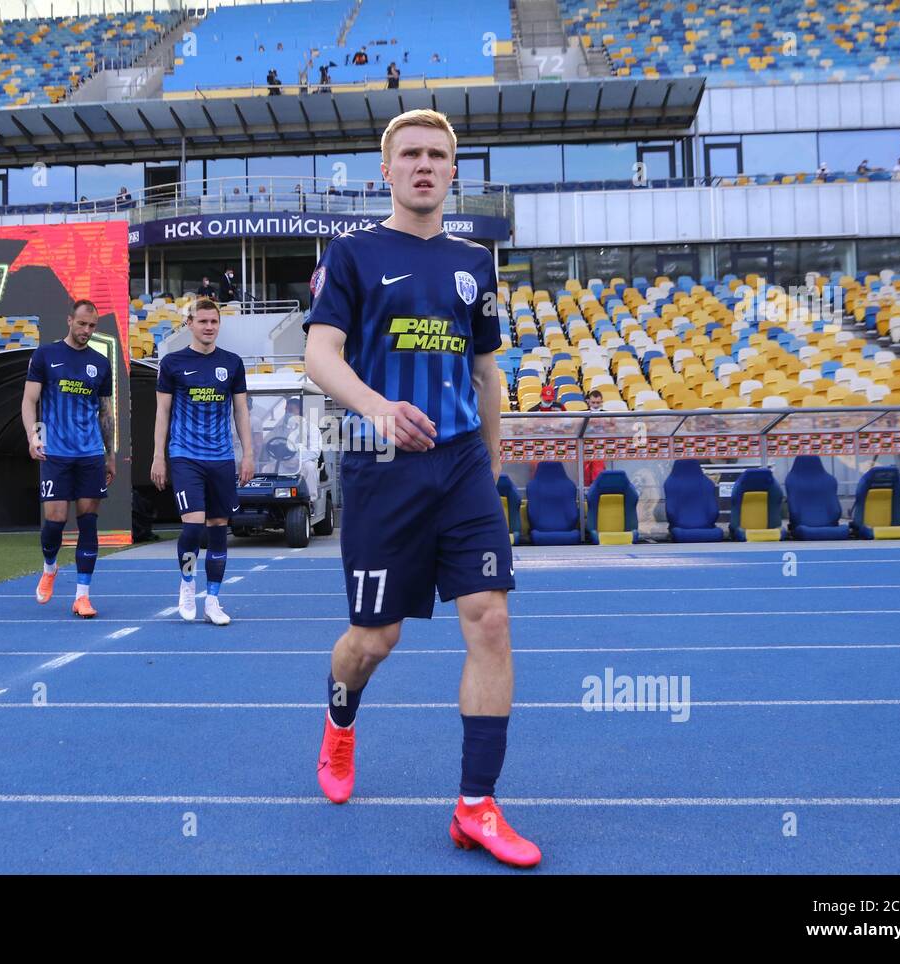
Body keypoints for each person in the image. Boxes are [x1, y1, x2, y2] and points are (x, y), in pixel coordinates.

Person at [303, 108, 540, 868]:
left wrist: (494, 460)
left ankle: (476, 807)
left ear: (453, 168)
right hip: (382, 470)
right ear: (387, 169)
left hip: (464, 464)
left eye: (439, 154)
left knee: (490, 620)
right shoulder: (352, 254)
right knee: (376, 640)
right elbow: (320, 355)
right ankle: (340, 724)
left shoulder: (477, 260)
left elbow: (486, 369)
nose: (425, 164)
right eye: (411, 154)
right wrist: (375, 408)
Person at [151, 299, 254, 625]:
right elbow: (162, 413)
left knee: (218, 530)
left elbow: (241, 411)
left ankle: (212, 600)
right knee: (193, 527)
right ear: (190, 324)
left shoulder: (232, 363)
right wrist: (159, 456)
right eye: (203, 321)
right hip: (186, 456)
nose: (209, 326)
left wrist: (247, 454)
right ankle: (187, 583)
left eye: (214, 321)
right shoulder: (172, 363)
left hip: (221, 458)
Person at [22, 299, 116, 619]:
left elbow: (106, 412)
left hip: (90, 453)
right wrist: (33, 436)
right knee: (56, 520)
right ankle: (50, 568)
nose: (87, 331)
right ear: (69, 321)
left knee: (88, 522)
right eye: (82, 324)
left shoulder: (101, 363)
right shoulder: (45, 355)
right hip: (56, 453)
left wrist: (110, 454)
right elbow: (29, 400)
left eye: (92, 326)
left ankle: (82, 596)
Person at [583, 389, 606, 487]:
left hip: (600, 448)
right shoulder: (581, 414)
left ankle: (598, 490)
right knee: (585, 472)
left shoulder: (608, 414)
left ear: (601, 402)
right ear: (588, 402)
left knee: (598, 471)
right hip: (584, 447)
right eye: (593, 402)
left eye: (598, 403)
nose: (595, 405)